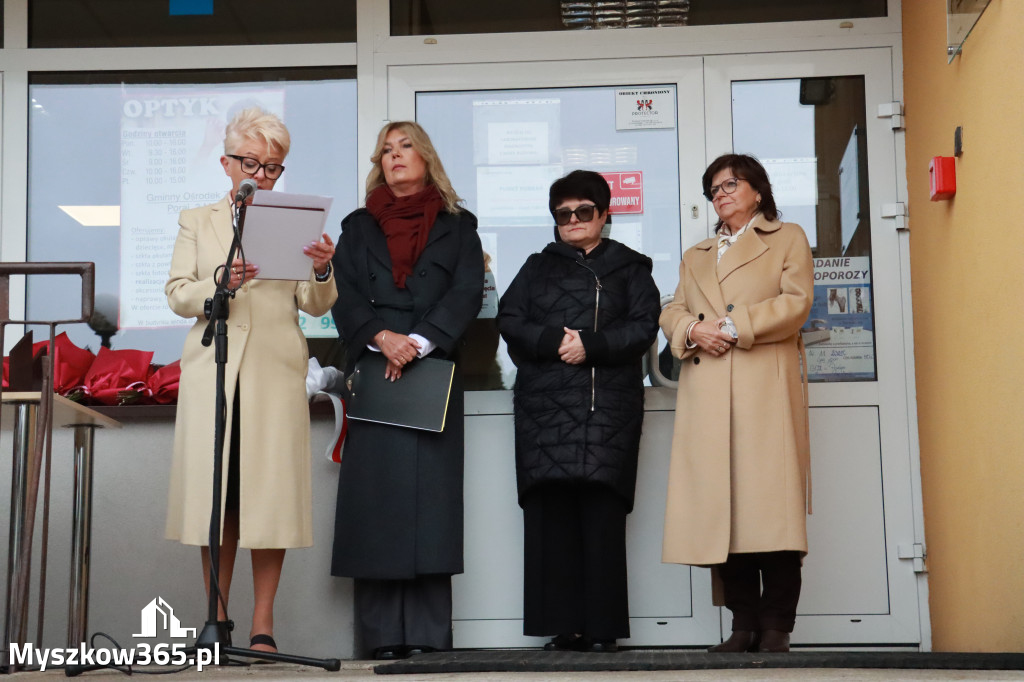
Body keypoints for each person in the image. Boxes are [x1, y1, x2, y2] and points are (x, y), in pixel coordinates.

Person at [164, 107, 337, 653]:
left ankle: (263, 626)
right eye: (251, 163)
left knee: (269, 498)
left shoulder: (295, 218)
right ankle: (216, 620)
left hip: (274, 372)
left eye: (273, 167)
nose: (261, 175)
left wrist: (323, 268)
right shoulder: (198, 219)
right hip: (213, 372)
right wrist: (221, 279)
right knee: (221, 498)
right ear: (226, 163)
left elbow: (315, 304)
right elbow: (177, 294)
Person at [329, 121, 484, 660]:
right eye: (386, 150)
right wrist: (381, 338)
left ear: (426, 157)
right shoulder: (355, 226)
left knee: (430, 510)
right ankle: (379, 639)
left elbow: (466, 293)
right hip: (374, 369)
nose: (395, 156)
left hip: (432, 369)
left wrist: (417, 341)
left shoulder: (460, 226)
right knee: (377, 507)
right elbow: (342, 295)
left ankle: (426, 639)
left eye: (405, 147)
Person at [497, 170, 661, 653]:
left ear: (604, 215)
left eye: (583, 211)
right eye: (563, 213)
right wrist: (555, 342)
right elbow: (510, 319)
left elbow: (644, 326)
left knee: (602, 514)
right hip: (545, 409)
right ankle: (562, 628)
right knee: (553, 519)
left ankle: (602, 628)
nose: (573, 220)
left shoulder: (631, 268)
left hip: (606, 407)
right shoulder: (535, 266)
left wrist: (590, 345)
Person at [661, 153, 813, 654]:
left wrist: (731, 325)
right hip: (708, 396)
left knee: (774, 516)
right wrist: (692, 329)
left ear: (758, 190)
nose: (721, 194)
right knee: (721, 516)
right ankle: (743, 625)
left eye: (731, 184)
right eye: (713, 189)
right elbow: (673, 308)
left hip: (762, 390)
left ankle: (776, 629)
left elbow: (796, 303)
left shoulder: (786, 237)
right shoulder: (696, 252)